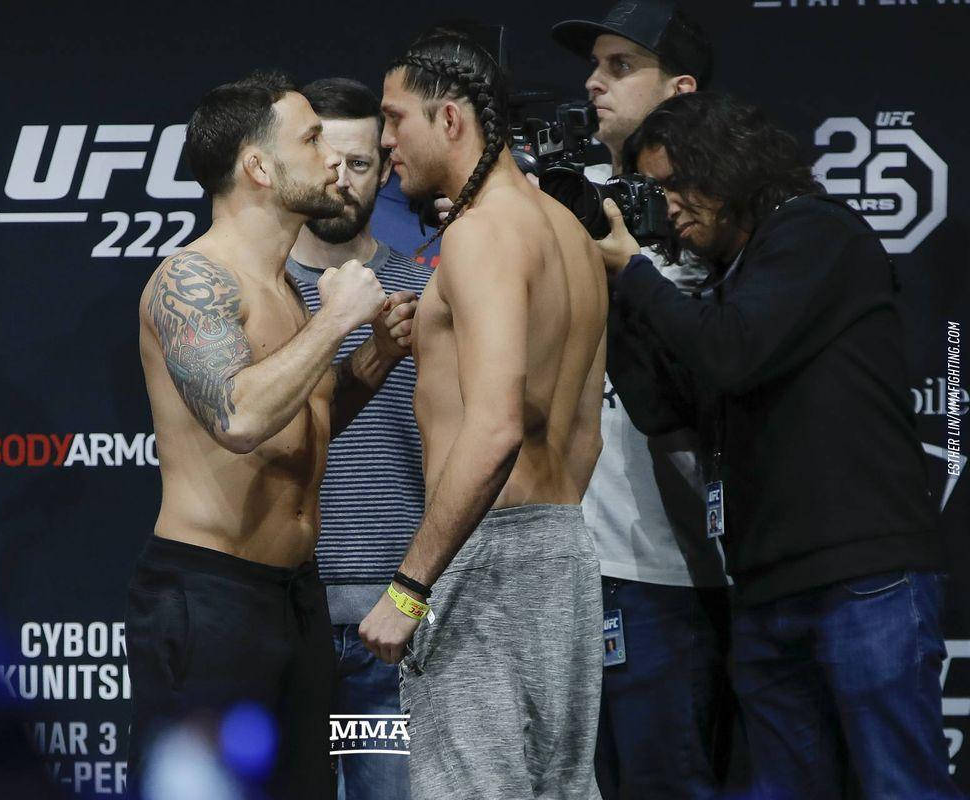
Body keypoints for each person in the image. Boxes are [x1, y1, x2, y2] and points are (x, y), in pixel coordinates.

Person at [599, 90, 957, 798]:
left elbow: (733, 352)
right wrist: (610, 294)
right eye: (654, 192)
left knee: (900, 786)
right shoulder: (728, 278)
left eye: (675, 184)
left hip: (860, 576)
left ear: (725, 165)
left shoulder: (816, 232)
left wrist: (636, 275)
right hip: (765, 586)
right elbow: (665, 409)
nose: (667, 207)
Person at [124, 69, 416, 800]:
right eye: (312, 140)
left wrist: (375, 358)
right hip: (211, 598)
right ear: (258, 166)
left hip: (294, 595)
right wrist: (337, 320)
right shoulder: (191, 279)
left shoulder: (283, 287)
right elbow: (240, 418)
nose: (333, 157)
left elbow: (301, 424)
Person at [359, 31, 609, 800]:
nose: (384, 141)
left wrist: (410, 587)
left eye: (395, 118)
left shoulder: (479, 233)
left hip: (486, 554)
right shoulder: (570, 233)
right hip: (564, 550)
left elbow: (496, 426)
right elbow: (584, 436)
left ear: (451, 119)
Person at [551, 4, 738, 797]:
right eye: (594, 66)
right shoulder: (559, 198)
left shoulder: (727, 214)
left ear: (681, 89)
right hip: (557, 566)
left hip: (668, 567)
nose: (594, 83)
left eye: (621, 66)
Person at [285, 76, 429, 800]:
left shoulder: (424, 294)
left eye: (362, 163)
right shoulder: (256, 293)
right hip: (287, 609)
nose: (341, 180)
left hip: (394, 614)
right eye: (328, 160)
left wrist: (412, 596)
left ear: (387, 169)